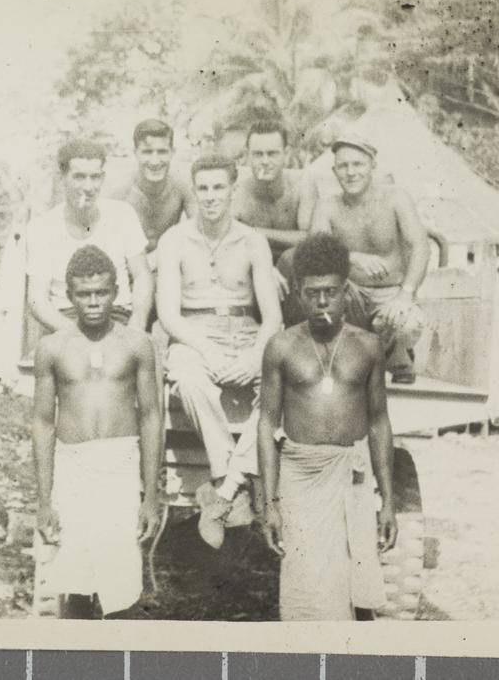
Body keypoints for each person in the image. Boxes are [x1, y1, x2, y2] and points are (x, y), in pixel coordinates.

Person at [258, 232, 398, 621]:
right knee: (307, 589)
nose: (322, 302)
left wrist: (387, 501)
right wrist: (270, 502)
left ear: (346, 289)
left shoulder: (367, 346)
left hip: (351, 477)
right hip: (301, 476)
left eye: (331, 292)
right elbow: (267, 424)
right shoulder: (281, 347)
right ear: (299, 293)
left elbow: (379, 422)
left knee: (357, 590)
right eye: (313, 293)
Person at [155, 154, 283, 549]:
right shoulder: (174, 240)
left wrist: (252, 357)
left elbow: (273, 317)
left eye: (218, 188)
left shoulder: (252, 241)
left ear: (232, 190)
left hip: (245, 331)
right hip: (194, 332)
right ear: (194, 192)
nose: (210, 197)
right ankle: (230, 478)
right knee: (190, 381)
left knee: (280, 389)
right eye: (203, 188)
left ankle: (223, 493)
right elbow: (168, 314)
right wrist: (206, 348)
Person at [31, 245, 163, 619]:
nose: (93, 302)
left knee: (120, 584)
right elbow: (42, 423)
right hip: (72, 467)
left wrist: (150, 496)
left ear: (116, 292)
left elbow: (151, 416)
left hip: (120, 466)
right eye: (84, 294)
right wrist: (44, 502)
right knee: (75, 582)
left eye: (101, 292)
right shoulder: (52, 348)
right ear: (70, 296)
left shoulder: (137, 344)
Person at [310, 128, 429, 384]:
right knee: (322, 297)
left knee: (406, 325)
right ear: (334, 171)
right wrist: (351, 257)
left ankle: (397, 355)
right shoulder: (327, 206)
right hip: (350, 294)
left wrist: (406, 295)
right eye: (343, 166)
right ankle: (359, 355)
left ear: (372, 165)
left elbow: (420, 245)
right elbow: (315, 251)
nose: (351, 172)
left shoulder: (396, 197)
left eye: (358, 164)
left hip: (391, 293)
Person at [25, 139, 153, 364]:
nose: (88, 186)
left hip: (117, 315)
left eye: (95, 177)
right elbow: (37, 300)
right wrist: (73, 333)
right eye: (79, 177)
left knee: (146, 357)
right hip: (66, 319)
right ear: (62, 177)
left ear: (103, 178)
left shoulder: (122, 215)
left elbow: (142, 274)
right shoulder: (42, 228)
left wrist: (137, 324)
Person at [104, 119, 195, 265]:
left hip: (168, 262)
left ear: (173, 152)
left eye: (162, 152)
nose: (155, 161)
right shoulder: (119, 192)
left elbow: (199, 232)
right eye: (147, 152)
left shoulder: (182, 187)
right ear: (135, 153)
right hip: (129, 266)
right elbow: (105, 243)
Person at [233, 119, 319, 265]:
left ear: (286, 154)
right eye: (258, 154)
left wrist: (254, 232)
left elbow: (311, 238)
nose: (265, 161)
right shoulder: (238, 192)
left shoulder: (301, 184)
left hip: (295, 266)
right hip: (252, 264)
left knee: (292, 258)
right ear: (247, 156)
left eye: (272, 154)